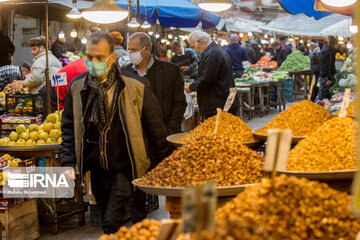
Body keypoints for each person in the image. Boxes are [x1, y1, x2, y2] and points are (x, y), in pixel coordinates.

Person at [60, 31, 171, 234]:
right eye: (90, 57)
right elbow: (68, 127)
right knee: (109, 220)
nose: (93, 62)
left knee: (112, 221)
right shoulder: (77, 87)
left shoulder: (136, 86)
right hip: (96, 169)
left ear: (112, 57)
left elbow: (155, 128)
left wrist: (165, 166)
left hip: (127, 166)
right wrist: (68, 161)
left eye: (99, 57)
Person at [123, 32, 186, 135]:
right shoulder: (126, 72)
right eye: (128, 49)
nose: (130, 53)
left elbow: (180, 103)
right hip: (135, 135)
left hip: (164, 132)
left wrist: (170, 130)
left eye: (133, 50)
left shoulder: (171, 71)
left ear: (146, 50)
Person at [184, 31, 240, 119]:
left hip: (218, 104)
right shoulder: (215, 50)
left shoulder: (211, 54)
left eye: (193, 47)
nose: (195, 50)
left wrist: (191, 87)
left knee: (218, 131)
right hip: (223, 101)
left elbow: (206, 78)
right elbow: (209, 72)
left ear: (199, 41)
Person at [315, 36, 338, 102]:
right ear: (334, 44)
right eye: (337, 44)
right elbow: (329, 66)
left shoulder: (324, 50)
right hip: (326, 77)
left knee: (322, 93)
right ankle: (316, 107)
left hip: (322, 75)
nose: (338, 45)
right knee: (323, 95)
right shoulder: (330, 52)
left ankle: (318, 107)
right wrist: (330, 78)